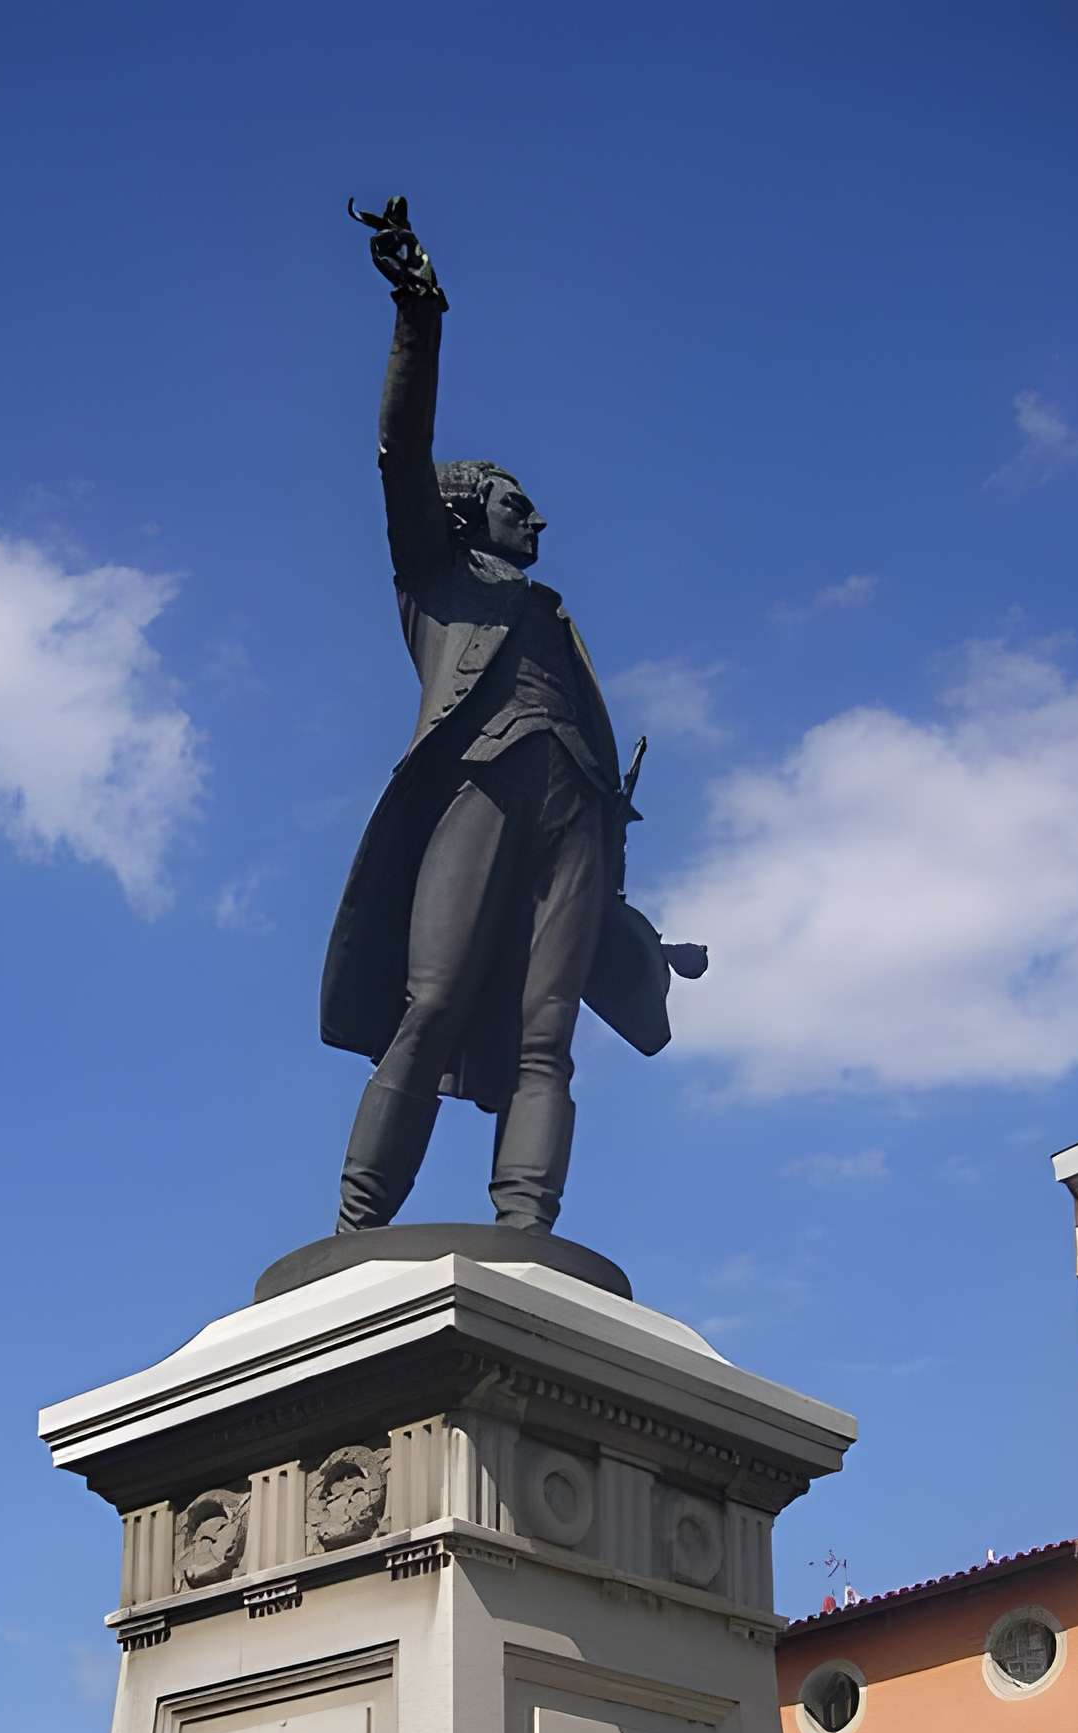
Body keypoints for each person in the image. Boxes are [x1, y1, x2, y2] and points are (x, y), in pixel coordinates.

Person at [320, 195, 706, 1235]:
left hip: (573, 811)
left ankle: (527, 1233)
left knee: (548, 1039)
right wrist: (420, 316)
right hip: (482, 784)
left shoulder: (552, 616)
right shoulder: (437, 576)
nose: (536, 515)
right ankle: (358, 1231)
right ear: (464, 514)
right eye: (512, 499)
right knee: (434, 1002)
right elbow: (401, 447)